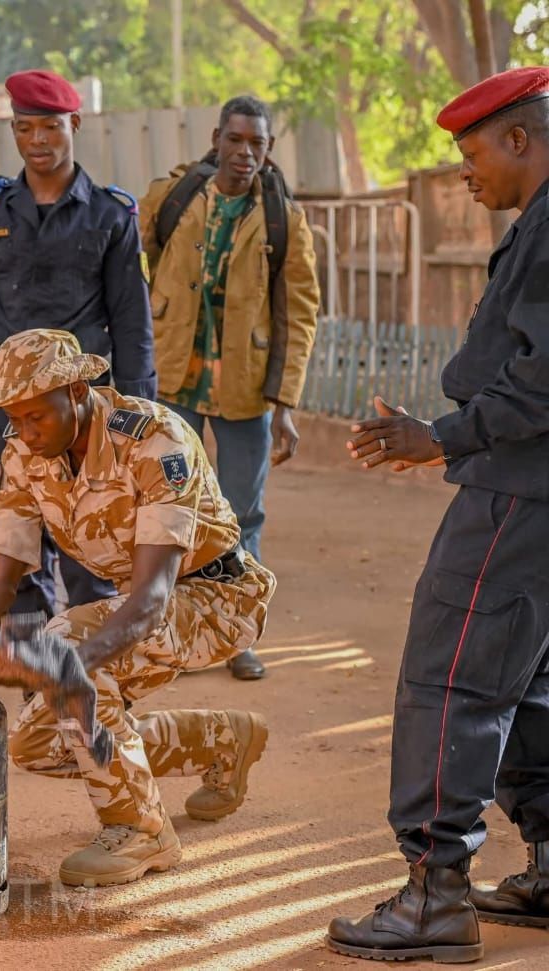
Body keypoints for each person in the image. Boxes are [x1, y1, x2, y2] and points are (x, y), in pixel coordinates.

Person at [327, 67, 549, 964]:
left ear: (522, 140)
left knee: (450, 675)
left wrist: (442, 435)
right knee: (527, 683)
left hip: (519, 489)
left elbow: (540, 382)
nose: (465, 172)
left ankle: (434, 894)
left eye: (471, 151)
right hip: (529, 485)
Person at [0, 329, 274, 887]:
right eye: (15, 420)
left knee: (68, 650)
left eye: (37, 417)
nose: (26, 435)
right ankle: (223, 738)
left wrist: (72, 662)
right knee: (36, 743)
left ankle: (141, 830)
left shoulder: (157, 441)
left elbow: (152, 600)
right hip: (141, 601)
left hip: (216, 596)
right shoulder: (25, 453)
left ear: (78, 391)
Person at [0, 69, 155, 619]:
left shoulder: (110, 215)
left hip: (83, 409)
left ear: (75, 124)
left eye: (50, 126)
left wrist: (139, 417)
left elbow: (132, 325)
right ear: (13, 133)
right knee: (13, 544)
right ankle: (30, 667)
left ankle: (92, 677)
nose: (38, 140)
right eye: (25, 128)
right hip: (7, 411)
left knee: (91, 545)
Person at [138, 95, 320, 682]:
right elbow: (128, 267)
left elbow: (300, 310)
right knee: (171, 510)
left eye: (256, 144)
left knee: (242, 514)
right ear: (217, 138)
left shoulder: (281, 218)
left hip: (243, 388)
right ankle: (173, 634)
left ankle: (239, 635)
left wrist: (285, 403)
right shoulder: (172, 199)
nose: (244, 153)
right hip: (174, 381)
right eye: (235, 140)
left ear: (268, 151)